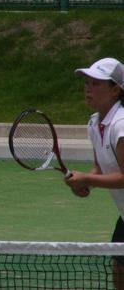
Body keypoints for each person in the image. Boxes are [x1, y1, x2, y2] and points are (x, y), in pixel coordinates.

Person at [65, 57, 124, 289]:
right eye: (87, 83)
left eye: (96, 83)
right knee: (119, 268)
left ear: (115, 89)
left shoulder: (121, 124)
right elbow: (100, 167)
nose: (88, 88)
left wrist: (88, 179)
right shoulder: (94, 124)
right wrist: (85, 183)